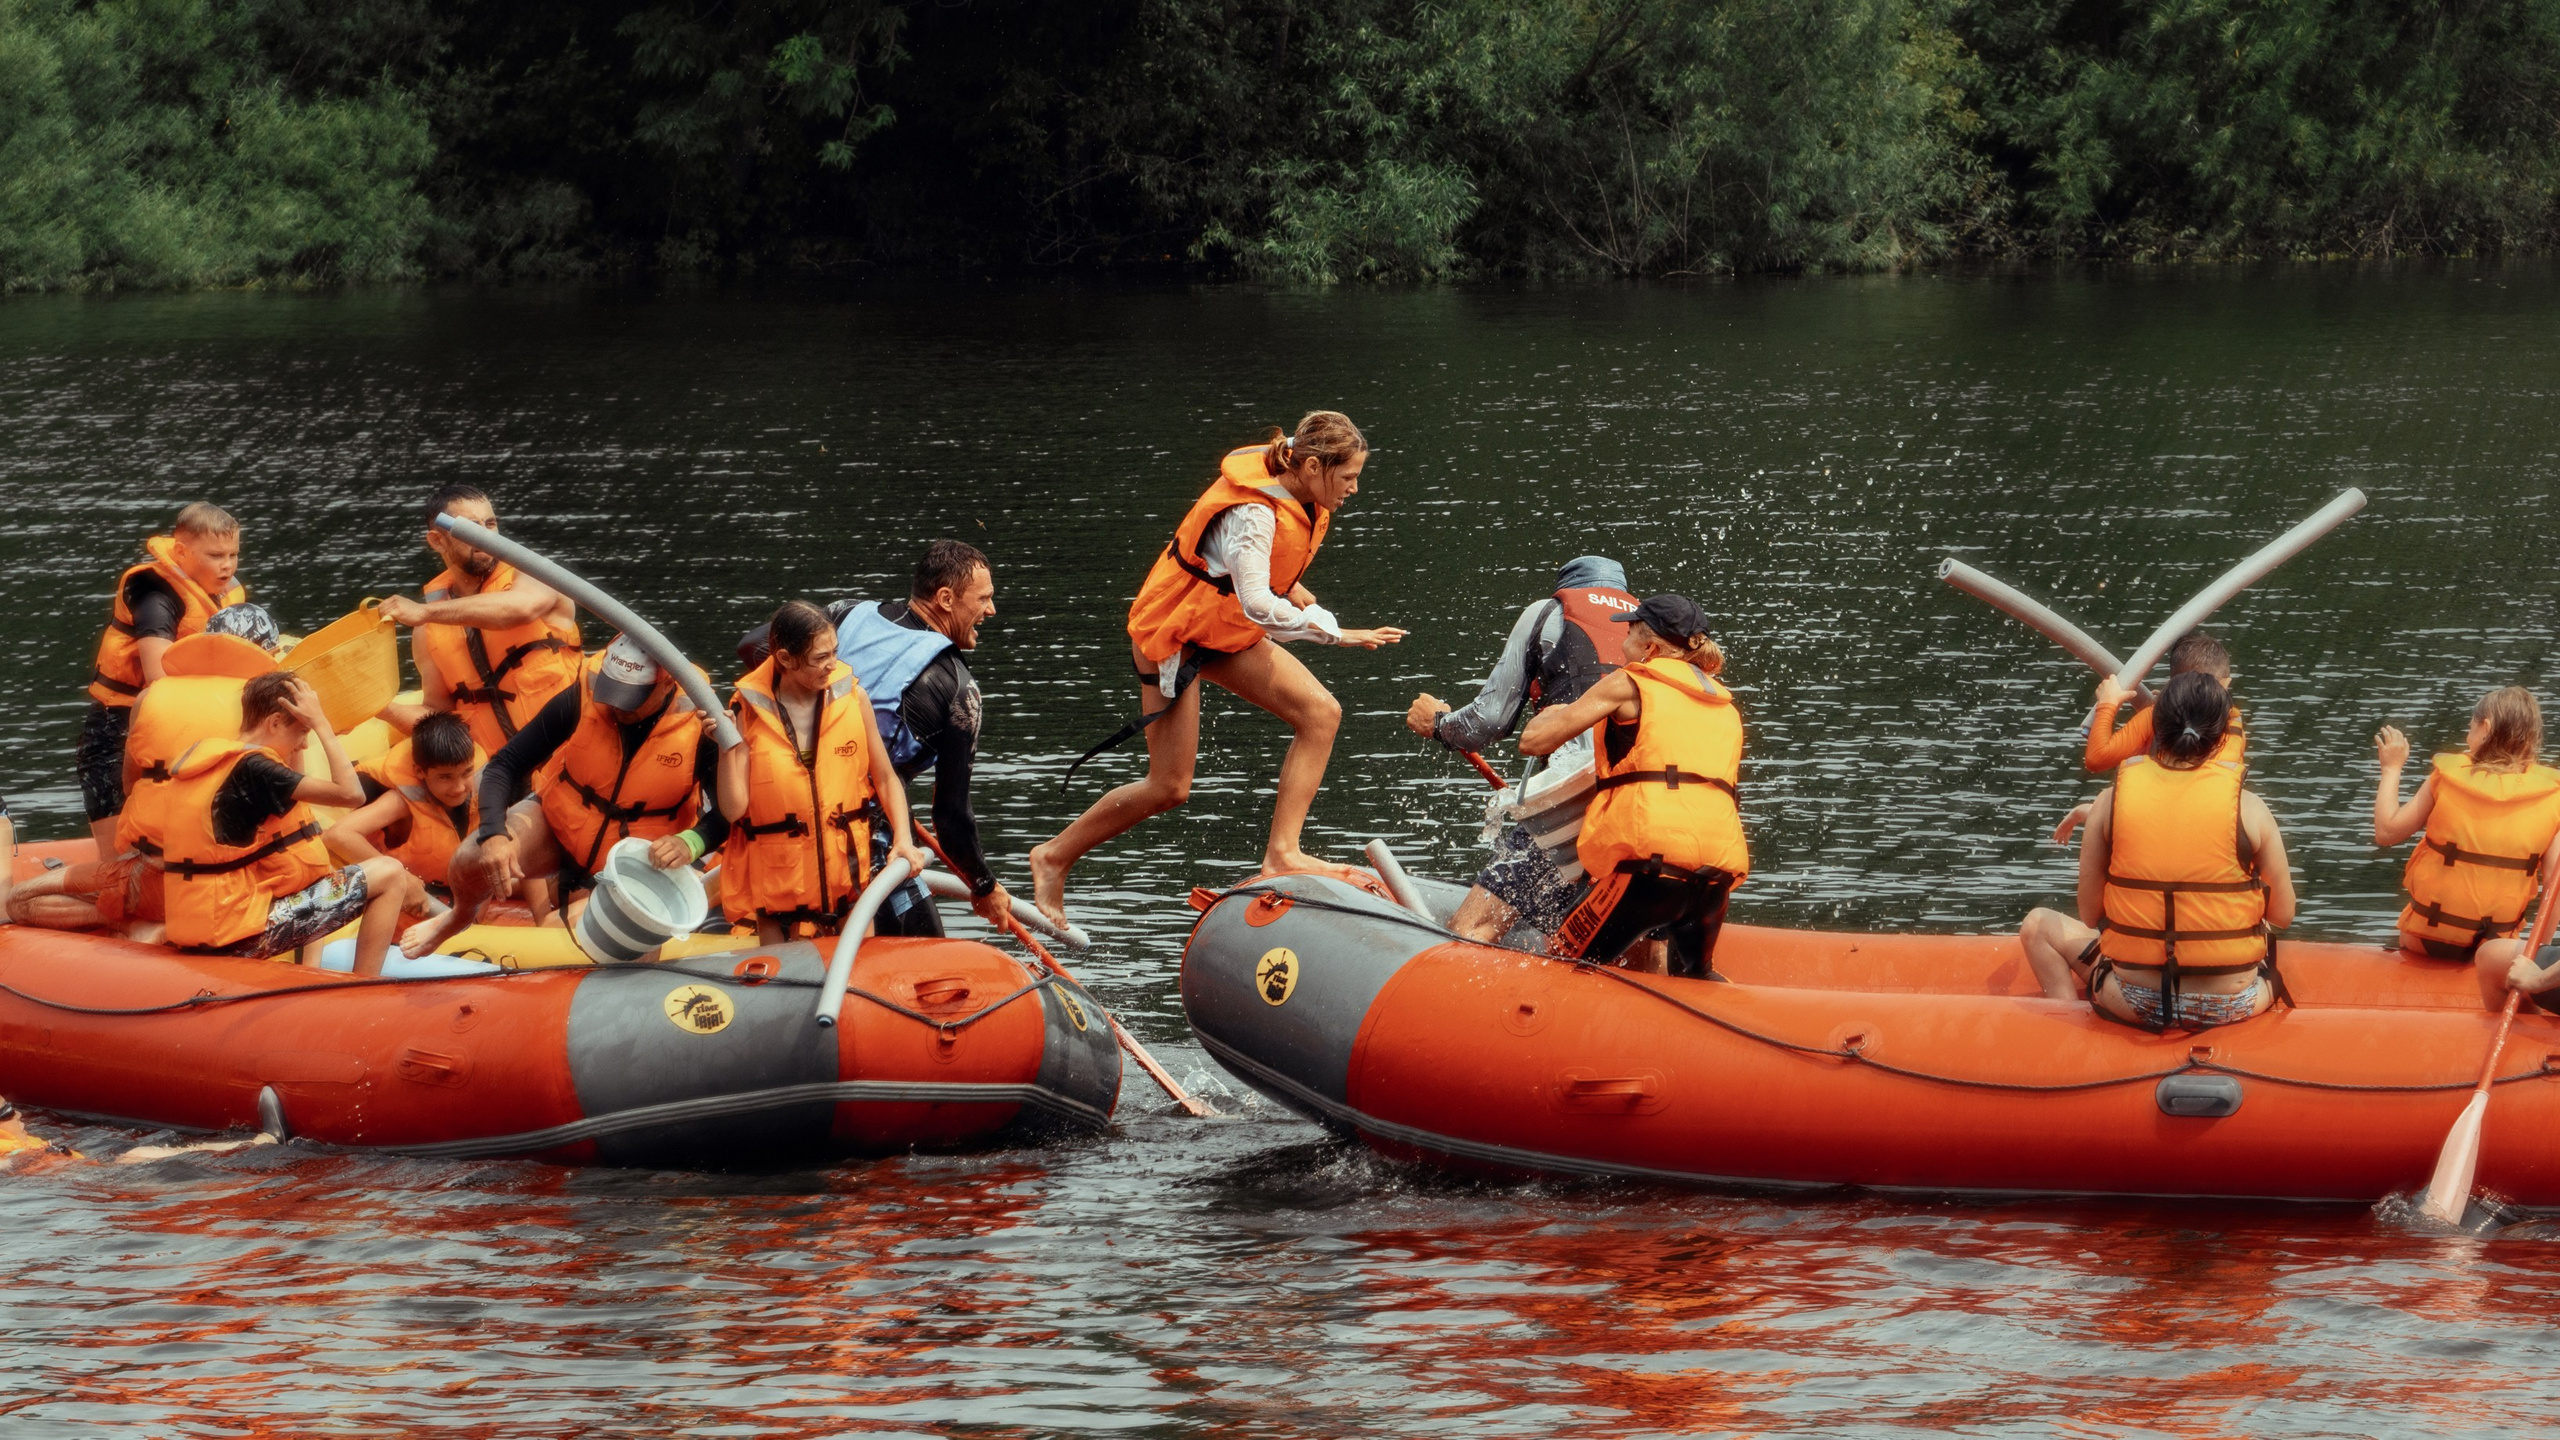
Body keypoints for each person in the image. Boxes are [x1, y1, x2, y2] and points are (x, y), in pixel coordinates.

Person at [1030, 412, 1406, 926]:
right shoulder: (1254, 513)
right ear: (1314, 466)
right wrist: (1336, 633)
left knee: (1321, 713)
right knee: (1169, 787)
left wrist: (1295, 590)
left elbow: (1258, 578)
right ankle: (1053, 856)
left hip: (1222, 631)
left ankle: (1282, 853)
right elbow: (1255, 602)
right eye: (1348, 478)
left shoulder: (1298, 493)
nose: (1355, 488)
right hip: (1177, 636)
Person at [736, 541, 1011, 936]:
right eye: (983, 599)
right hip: (865, 851)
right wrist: (984, 885)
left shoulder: (844, 613)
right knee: (931, 968)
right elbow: (951, 819)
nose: (990, 610)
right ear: (946, 599)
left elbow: (752, 647)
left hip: (788, 831)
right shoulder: (957, 690)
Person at [400, 635, 727, 958]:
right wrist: (494, 832)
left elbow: (729, 813)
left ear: (666, 684)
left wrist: (690, 842)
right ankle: (456, 918)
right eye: (611, 692)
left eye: (630, 698)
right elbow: (505, 763)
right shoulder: (584, 695)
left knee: (623, 951)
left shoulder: (702, 723)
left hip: (637, 857)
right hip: (559, 823)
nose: (614, 706)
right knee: (472, 855)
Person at [2019, 672, 2296, 1031]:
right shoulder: (2252, 808)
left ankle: (2071, 1036)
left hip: (2133, 1001)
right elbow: (2284, 914)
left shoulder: (2108, 802)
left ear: (2155, 730)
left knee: (2037, 925)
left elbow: (2090, 914)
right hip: (2231, 1003)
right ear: (2219, 739)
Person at [1405, 556, 1640, 943]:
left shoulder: (1547, 613)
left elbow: (1490, 720)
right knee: (1626, 949)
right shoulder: (1653, 634)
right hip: (1641, 805)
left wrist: (1438, 724)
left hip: (1575, 802)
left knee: (1470, 929)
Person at [1518, 596, 1746, 978]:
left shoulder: (1629, 683)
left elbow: (1534, 742)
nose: (1622, 646)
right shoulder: (1724, 706)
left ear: (1650, 649)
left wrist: (1554, 713)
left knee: (1564, 964)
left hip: (1651, 872)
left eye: (1628, 635)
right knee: (1695, 977)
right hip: (1714, 879)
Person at [121, 672, 408, 973]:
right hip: (239, 937)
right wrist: (322, 723)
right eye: (302, 731)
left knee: (307, 866)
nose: (304, 745)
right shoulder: (256, 769)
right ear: (273, 723)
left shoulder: (209, 756)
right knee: (390, 873)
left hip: (204, 928)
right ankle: (363, 986)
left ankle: (311, 976)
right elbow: (352, 795)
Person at [720, 602, 931, 944]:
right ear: (786, 659)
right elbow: (733, 809)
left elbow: (886, 777)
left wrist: (903, 841)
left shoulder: (854, 699)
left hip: (850, 894)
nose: (832, 665)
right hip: (780, 907)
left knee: (857, 987)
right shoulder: (745, 712)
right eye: (820, 658)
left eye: (835, 652)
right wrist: (727, 748)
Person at [77, 503, 249, 850]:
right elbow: (158, 677)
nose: (227, 565)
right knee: (119, 860)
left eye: (233, 554)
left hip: (185, 724)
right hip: (119, 724)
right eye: (215, 555)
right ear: (182, 552)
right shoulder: (154, 592)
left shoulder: (224, 589)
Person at [2371, 689, 2560, 993]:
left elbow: (2387, 831)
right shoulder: (2553, 797)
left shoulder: (2446, 777)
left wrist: (2391, 768)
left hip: (2425, 942)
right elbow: (2555, 886)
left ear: (2485, 727)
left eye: (2471, 725)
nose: (2468, 733)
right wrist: (2538, 953)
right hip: (2498, 949)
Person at [380, 485, 582, 755]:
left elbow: (521, 608)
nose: (485, 536)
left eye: (490, 524)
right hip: (497, 777)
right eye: (471, 529)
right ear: (438, 541)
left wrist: (425, 612)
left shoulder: (535, 574)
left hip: (570, 760)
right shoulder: (427, 628)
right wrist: (380, 708)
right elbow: (439, 717)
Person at [2053, 630, 2245, 842]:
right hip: (2210, 823)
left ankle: (2091, 812)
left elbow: (2096, 759)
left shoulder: (2154, 716)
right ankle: (2091, 811)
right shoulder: (2233, 722)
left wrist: (2108, 704)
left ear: (2173, 682)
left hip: (2160, 821)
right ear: (2226, 683)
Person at [325, 712, 486, 920]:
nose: (459, 787)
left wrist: (477, 921)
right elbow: (337, 835)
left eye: (467, 773)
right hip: (415, 909)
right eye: (445, 777)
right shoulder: (400, 801)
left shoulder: (483, 787)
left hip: (461, 903)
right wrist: (401, 877)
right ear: (420, 772)